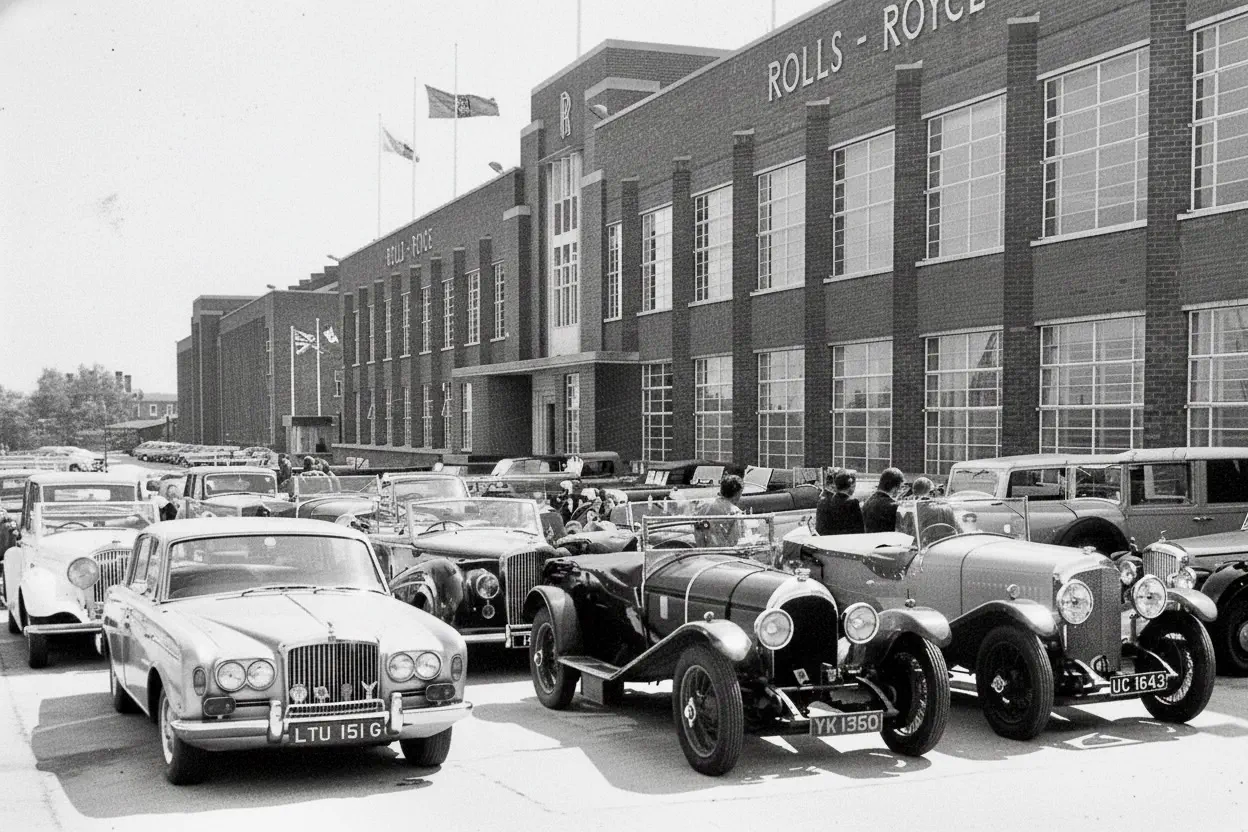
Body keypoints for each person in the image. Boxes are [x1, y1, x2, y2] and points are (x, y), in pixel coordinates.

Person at [693, 475, 745, 548]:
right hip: (727, 555)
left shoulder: (704, 506)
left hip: (706, 553)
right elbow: (737, 539)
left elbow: (698, 532)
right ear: (738, 493)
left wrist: (702, 550)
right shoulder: (736, 512)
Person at [816, 469, 865, 535]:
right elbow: (860, 530)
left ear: (836, 485)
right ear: (850, 485)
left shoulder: (822, 503)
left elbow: (819, 530)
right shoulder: (853, 504)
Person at [862, 467, 904, 533]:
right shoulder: (893, 506)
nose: (900, 490)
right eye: (900, 487)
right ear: (895, 488)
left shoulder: (867, 502)